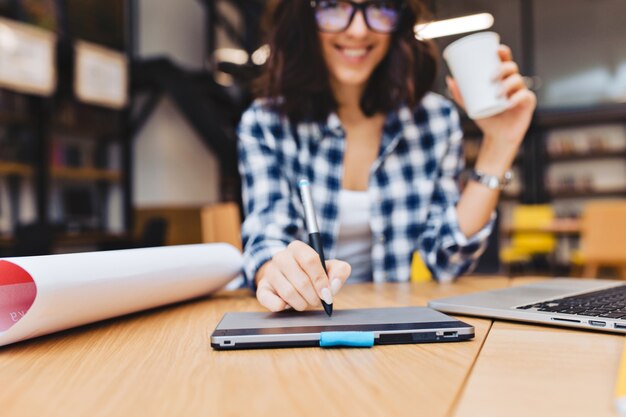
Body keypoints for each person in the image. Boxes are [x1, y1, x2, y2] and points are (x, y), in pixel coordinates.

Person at [237, 0, 536, 312]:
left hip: (394, 318)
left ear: (400, 20)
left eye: (379, 7)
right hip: (303, 321)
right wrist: (274, 272)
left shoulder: (434, 120)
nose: (358, 29)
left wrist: (500, 145)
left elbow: (448, 261)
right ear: (305, 16)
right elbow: (266, 242)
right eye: (333, 6)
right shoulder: (265, 123)